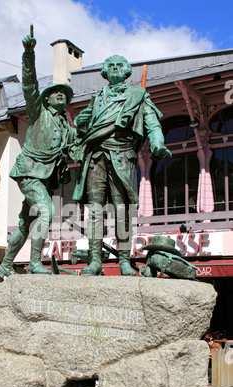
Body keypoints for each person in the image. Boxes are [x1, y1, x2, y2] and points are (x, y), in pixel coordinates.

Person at [70, 54, 171, 276]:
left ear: (126, 72)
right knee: (95, 211)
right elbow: (85, 131)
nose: (115, 69)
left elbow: (152, 123)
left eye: (119, 66)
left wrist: (157, 144)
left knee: (122, 211)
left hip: (123, 156)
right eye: (111, 66)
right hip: (96, 156)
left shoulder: (137, 95)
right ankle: (95, 260)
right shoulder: (96, 99)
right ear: (105, 72)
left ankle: (124, 260)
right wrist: (81, 124)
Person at [0, 34, 74, 277]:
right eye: (56, 92)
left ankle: (6, 264)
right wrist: (29, 54)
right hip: (30, 171)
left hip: (46, 179)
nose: (60, 94)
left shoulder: (67, 128)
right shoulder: (39, 111)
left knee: (25, 223)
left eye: (64, 92)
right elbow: (29, 84)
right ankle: (34, 263)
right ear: (47, 98)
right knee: (45, 212)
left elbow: (77, 147)